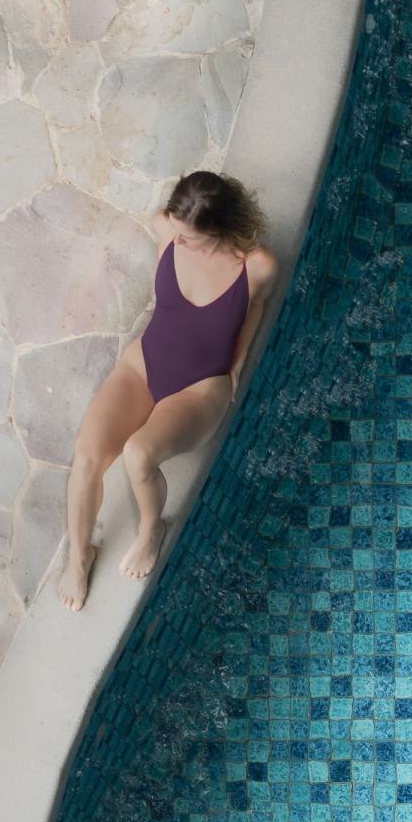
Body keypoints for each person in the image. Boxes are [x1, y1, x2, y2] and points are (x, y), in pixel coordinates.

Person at [57, 170, 280, 611]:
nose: (176, 241)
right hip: (144, 365)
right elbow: (170, 234)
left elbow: (255, 307)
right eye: (175, 230)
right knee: (87, 456)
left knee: (139, 454)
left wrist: (236, 364)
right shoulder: (166, 226)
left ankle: (149, 531)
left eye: (188, 236)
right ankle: (79, 555)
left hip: (198, 388)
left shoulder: (257, 266)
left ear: (218, 228)